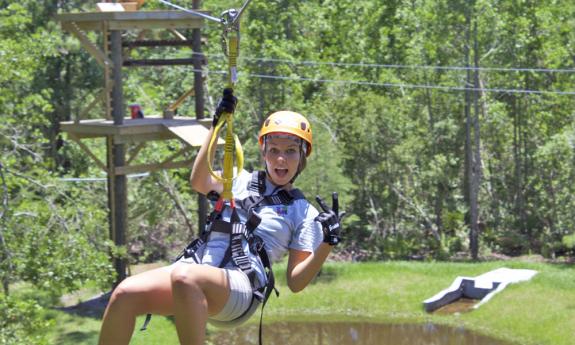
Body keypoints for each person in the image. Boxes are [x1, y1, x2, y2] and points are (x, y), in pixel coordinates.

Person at [97, 89, 343, 345]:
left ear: (304, 155)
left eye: (291, 151)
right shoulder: (238, 179)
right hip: (198, 270)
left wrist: (327, 243)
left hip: (241, 287)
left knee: (185, 277)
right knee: (124, 293)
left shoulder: (303, 212)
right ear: (264, 152)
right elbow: (199, 181)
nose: (281, 158)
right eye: (274, 150)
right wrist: (216, 127)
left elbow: (296, 282)